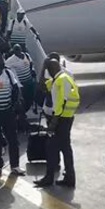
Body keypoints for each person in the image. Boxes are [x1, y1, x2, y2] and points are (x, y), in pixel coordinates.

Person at [34, 58, 80, 188]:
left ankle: (50, 178)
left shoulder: (62, 80)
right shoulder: (57, 80)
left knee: (51, 147)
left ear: (51, 69)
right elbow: (43, 86)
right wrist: (43, 68)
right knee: (64, 148)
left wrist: (54, 121)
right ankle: (69, 177)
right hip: (63, 118)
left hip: (62, 119)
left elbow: (63, 102)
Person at [6, 44, 36, 113]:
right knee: (23, 99)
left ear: (21, 49)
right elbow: (5, 66)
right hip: (22, 84)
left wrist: (32, 70)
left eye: (18, 49)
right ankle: (23, 113)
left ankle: (26, 109)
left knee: (31, 98)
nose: (17, 51)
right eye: (15, 50)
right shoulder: (11, 60)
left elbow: (31, 63)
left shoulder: (26, 55)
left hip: (29, 81)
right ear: (13, 51)